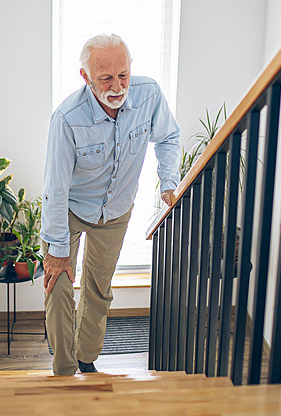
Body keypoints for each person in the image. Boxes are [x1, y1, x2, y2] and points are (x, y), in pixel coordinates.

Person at [40, 33, 180, 375]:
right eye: (106, 78)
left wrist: (168, 182)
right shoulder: (67, 119)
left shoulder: (150, 96)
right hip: (70, 210)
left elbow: (168, 137)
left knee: (98, 289)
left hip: (116, 211)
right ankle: (62, 368)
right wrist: (57, 249)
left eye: (123, 75)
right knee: (57, 284)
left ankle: (86, 358)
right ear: (86, 77)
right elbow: (55, 189)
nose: (117, 86)